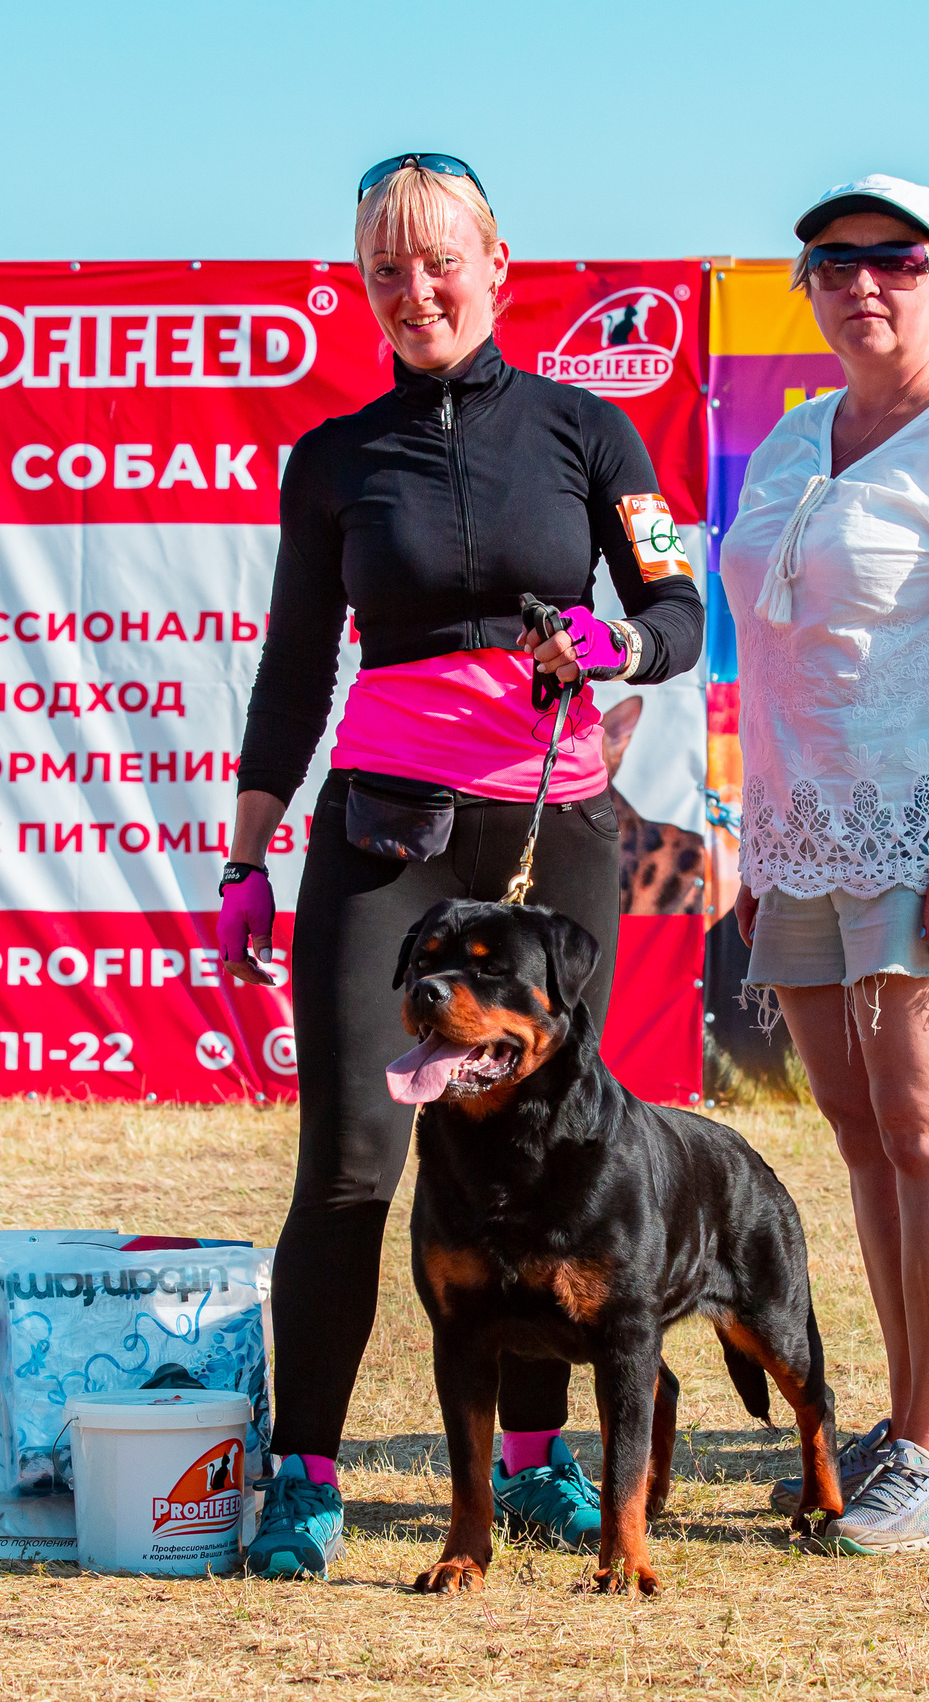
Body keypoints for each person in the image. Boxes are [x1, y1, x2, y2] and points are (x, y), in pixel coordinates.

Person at [220, 153, 705, 1578]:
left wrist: (623, 645)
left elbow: (675, 608)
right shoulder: (336, 459)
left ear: (498, 260)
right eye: (386, 269)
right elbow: (295, 666)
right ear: (360, 286)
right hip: (386, 837)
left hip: (554, 835)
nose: (415, 290)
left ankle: (536, 1463)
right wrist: (248, 856)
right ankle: (302, 1475)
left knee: (556, 1159)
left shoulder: (588, 431)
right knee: (355, 1164)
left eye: (440, 260)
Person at [719, 175, 929, 1554]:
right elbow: (774, 649)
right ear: (806, 285)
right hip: (803, 832)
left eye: (895, 257)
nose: (863, 280)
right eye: (833, 259)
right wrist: (759, 831)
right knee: (864, 1136)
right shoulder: (797, 440)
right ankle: (912, 1431)